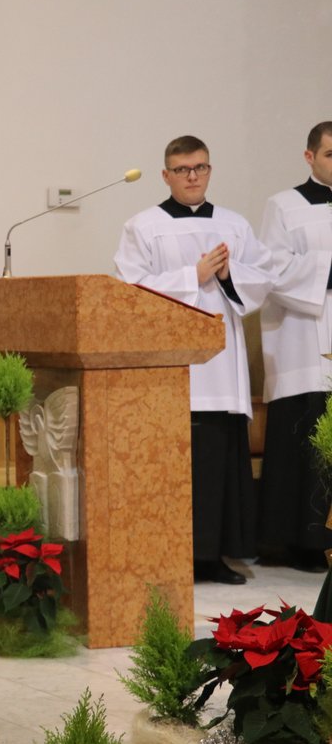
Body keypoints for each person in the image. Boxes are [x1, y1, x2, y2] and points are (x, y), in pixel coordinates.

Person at [115, 135, 274, 585]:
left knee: (217, 464)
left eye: (200, 168)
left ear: (209, 171)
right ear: (166, 175)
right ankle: (168, 556)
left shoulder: (234, 225)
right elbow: (130, 290)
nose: (192, 177)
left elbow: (264, 279)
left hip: (220, 368)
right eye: (183, 170)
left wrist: (228, 273)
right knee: (169, 466)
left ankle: (213, 557)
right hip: (168, 368)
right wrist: (193, 275)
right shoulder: (143, 226)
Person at [258, 121, 332, 573]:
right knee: (306, 441)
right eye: (330, 154)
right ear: (310, 157)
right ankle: (304, 543)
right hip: (305, 340)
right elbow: (272, 269)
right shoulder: (284, 205)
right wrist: (326, 269)